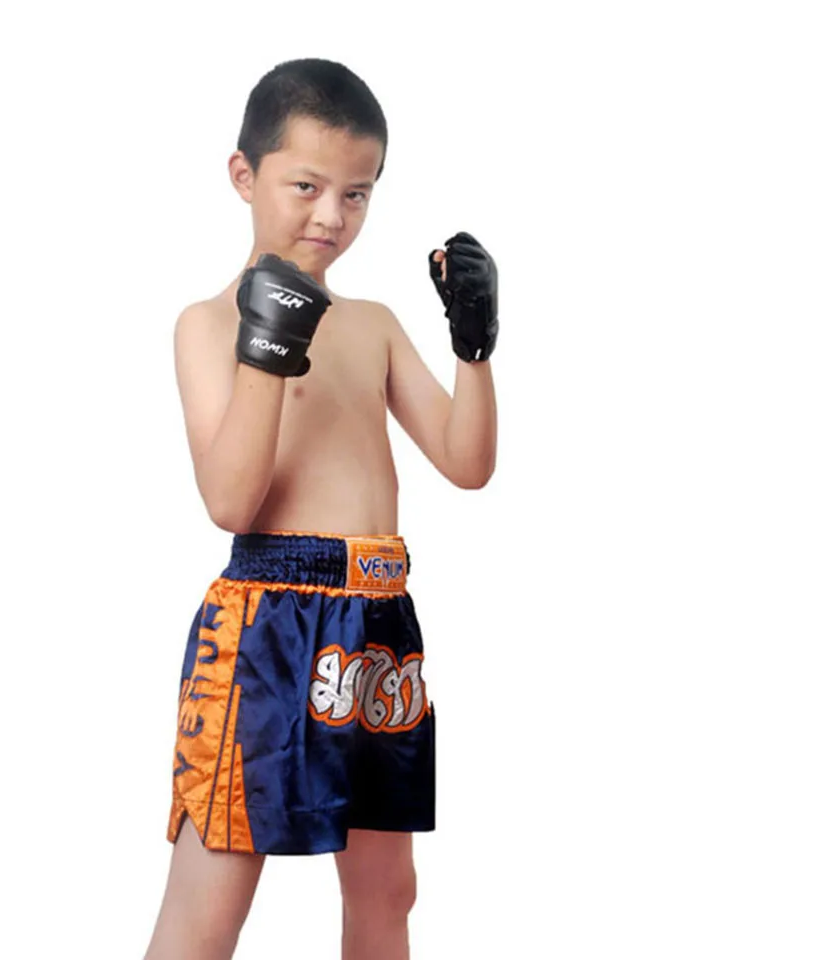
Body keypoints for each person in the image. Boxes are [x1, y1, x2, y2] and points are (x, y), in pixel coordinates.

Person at [143, 58, 498, 960]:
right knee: (211, 903)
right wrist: (268, 345)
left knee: (388, 890)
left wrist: (474, 349)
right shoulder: (205, 324)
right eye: (306, 186)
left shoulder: (372, 323)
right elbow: (231, 501)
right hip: (267, 621)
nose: (331, 216)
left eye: (356, 194)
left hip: (378, 617)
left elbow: (467, 464)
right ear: (244, 175)